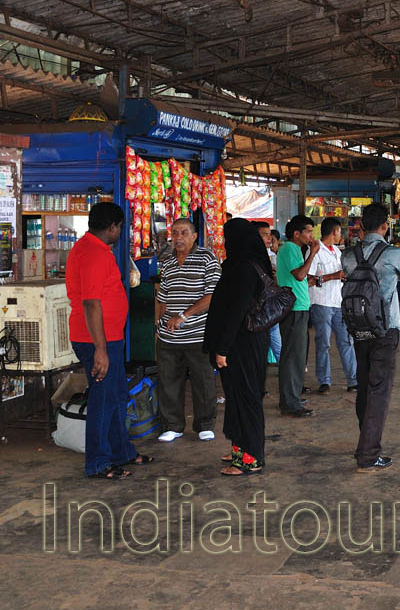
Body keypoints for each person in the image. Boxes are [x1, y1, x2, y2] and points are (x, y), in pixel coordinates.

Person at [66, 201, 150, 478]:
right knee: (103, 400)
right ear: (113, 227)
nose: (120, 233)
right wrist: (100, 350)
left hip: (107, 338)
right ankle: (98, 463)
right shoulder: (93, 253)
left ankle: (121, 452)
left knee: (115, 396)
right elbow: (91, 303)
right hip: (96, 341)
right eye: (120, 228)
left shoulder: (94, 249)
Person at [342, 203, 400, 472]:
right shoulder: (395, 255)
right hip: (385, 330)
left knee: (364, 386)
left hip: (357, 328)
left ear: (362, 225)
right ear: (385, 226)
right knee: (379, 391)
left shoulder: (348, 256)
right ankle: (368, 454)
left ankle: (367, 439)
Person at [204, 218, 270, 476]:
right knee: (237, 398)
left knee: (246, 398)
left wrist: (223, 348)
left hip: (242, 344)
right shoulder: (241, 264)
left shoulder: (243, 268)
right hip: (242, 341)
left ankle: (251, 458)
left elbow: (236, 312)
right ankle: (240, 449)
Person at [154, 217, 221, 443]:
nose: (179, 237)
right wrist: (159, 326)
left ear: (194, 236)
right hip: (169, 337)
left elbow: (213, 296)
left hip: (198, 334)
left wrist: (184, 315)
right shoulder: (168, 263)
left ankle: (204, 424)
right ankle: (172, 425)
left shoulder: (207, 259)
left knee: (203, 381)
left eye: (184, 233)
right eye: (175, 233)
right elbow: (162, 299)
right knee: (169, 382)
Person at [307, 217, 358, 394]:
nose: (341, 235)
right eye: (340, 231)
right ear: (335, 231)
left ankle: (353, 380)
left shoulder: (337, 251)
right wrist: (332, 276)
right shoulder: (315, 251)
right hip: (321, 303)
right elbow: (308, 280)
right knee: (323, 343)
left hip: (338, 302)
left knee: (346, 341)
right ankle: (324, 381)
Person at [276, 216, 316, 417]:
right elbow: (299, 275)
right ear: (296, 234)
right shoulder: (290, 248)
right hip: (293, 309)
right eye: (308, 231)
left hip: (299, 307)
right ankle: (290, 403)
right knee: (293, 357)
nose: (311, 235)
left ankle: (292, 396)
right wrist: (313, 253)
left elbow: (300, 279)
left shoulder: (294, 250)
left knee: (297, 356)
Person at [255, 221, 282, 365]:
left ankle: (284, 367)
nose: (269, 238)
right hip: (258, 304)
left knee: (274, 334)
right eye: (264, 234)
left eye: (269, 234)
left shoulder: (271, 256)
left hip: (269, 302)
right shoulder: (254, 257)